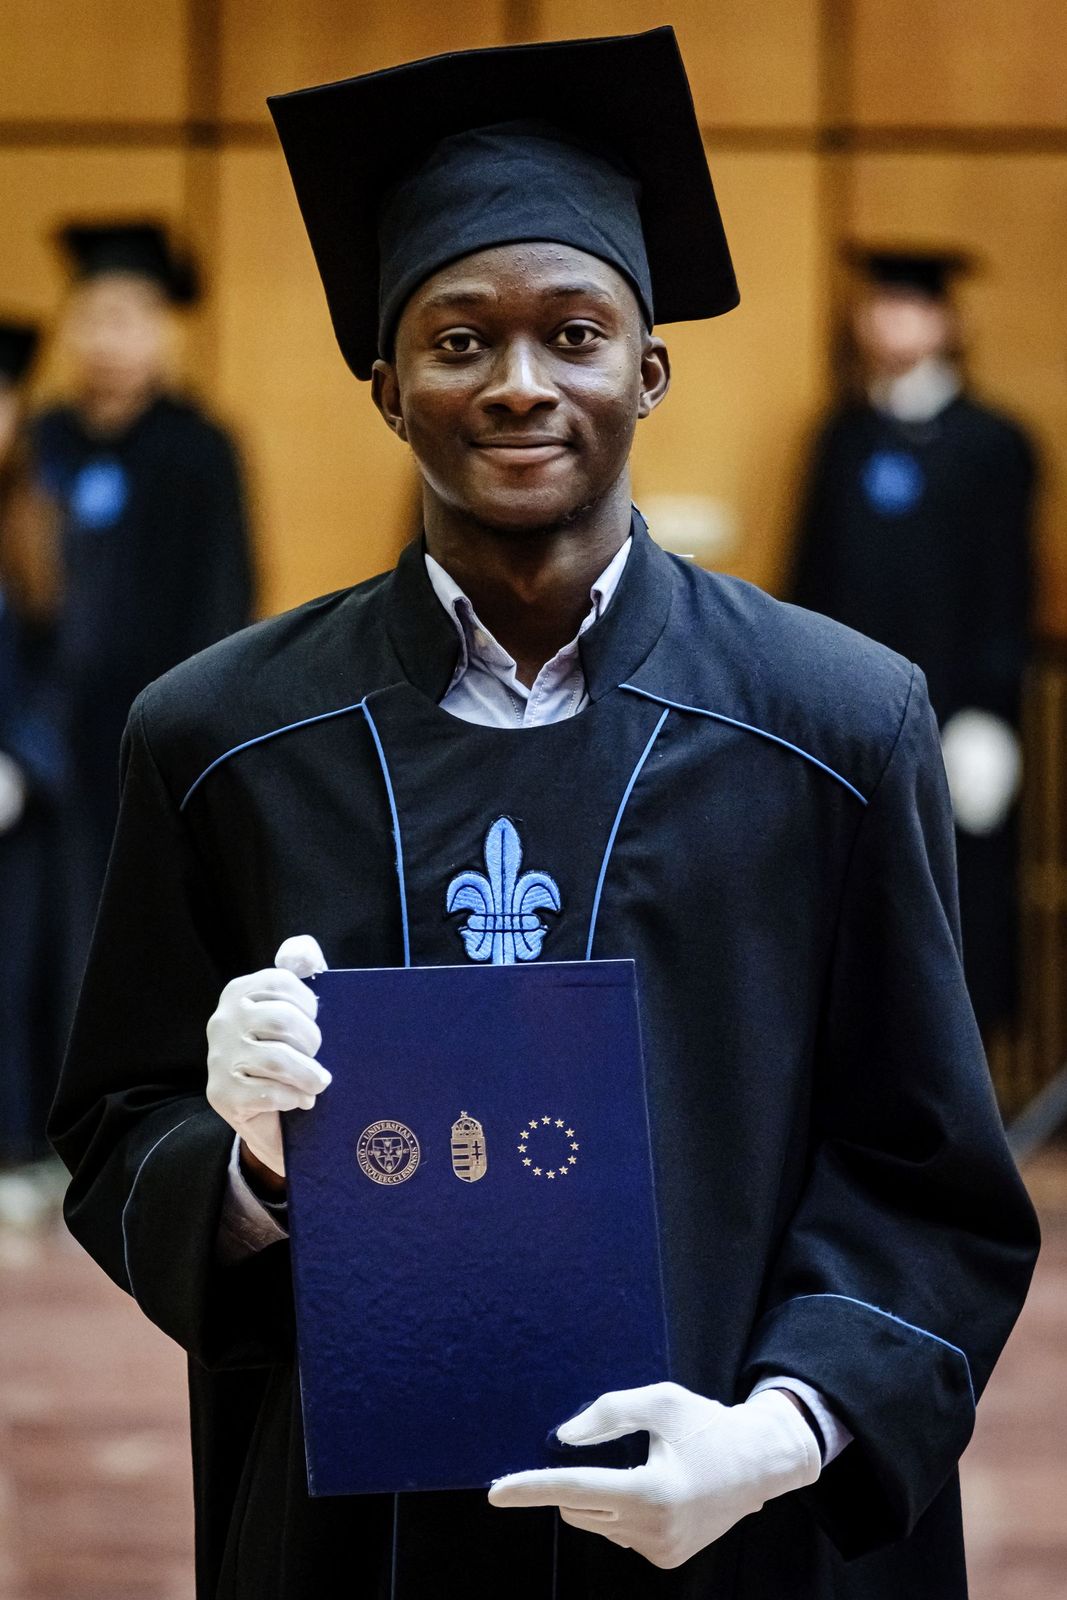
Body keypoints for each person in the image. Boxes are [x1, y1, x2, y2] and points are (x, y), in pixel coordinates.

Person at [50, 29, 1037, 1600]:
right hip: (364, 1545)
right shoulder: (221, 740)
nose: (517, 382)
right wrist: (247, 1163)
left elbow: (924, 1177)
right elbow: (119, 1128)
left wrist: (780, 1431)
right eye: (457, 339)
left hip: (736, 1531)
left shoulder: (836, 726)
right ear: (385, 386)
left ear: (647, 370)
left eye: (573, 334)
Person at [789, 247, 1037, 1032]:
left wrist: (988, 712)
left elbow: (1006, 588)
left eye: (908, 306)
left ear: (945, 323)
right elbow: (809, 579)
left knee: (958, 899)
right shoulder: (841, 437)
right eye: (878, 305)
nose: (888, 321)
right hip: (845, 719)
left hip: (954, 715)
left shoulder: (994, 443)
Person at [32, 222, 255, 972]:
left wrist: (194, 722)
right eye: (92, 317)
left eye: (127, 318)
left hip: (154, 722)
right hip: (50, 731)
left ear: (164, 330)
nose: (106, 339)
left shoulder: (200, 447)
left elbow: (226, 597)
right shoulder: (43, 441)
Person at [0, 320, 67, 1204]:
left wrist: (19, 757)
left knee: (14, 971)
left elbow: (64, 665)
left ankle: (14, 1146)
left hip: (18, 797)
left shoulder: (38, 526)